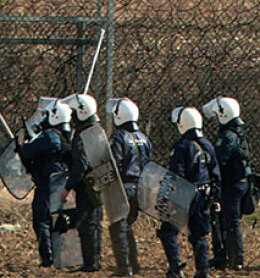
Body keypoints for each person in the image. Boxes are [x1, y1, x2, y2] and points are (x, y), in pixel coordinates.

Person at [159, 106, 220, 278]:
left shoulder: (182, 146)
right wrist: (215, 197)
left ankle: (175, 267)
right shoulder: (207, 145)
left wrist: (169, 197)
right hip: (205, 194)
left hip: (186, 194)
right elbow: (215, 174)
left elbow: (177, 175)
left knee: (168, 229)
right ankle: (203, 270)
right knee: (199, 234)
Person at [19, 100, 73, 268]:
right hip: (62, 182)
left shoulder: (50, 135)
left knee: (41, 219)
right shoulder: (68, 135)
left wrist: (23, 143)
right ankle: (62, 256)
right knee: (59, 220)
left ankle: (47, 257)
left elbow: (26, 152)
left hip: (48, 183)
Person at [203, 97, 251, 272]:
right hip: (237, 183)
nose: (215, 119)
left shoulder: (228, 136)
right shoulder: (238, 132)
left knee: (230, 222)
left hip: (231, 185)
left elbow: (220, 160)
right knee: (223, 221)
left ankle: (235, 260)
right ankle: (222, 258)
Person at [108, 98, 152, 277]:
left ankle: (124, 267)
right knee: (128, 226)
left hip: (124, 187)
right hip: (141, 187)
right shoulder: (143, 137)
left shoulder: (119, 137)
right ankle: (134, 264)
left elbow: (115, 163)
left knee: (119, 227)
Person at [61, 93, 104, 273]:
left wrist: (68, 187)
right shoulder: (96, 130)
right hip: (97, 184)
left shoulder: (84, 135)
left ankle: (91, 264)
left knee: (88, 224)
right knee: (94, 223)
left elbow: (81, 165)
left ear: (82, 112)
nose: (71, 116)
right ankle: (94, 260)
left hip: (87, 186)